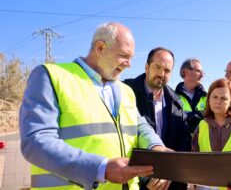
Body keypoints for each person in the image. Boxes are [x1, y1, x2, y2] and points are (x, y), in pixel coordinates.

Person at [19, 22, 168, 190]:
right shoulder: (51, 77)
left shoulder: (126, 90)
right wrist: (101, 168)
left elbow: (140, 126)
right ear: (100, 48)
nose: (129, 64)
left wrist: (156, 147)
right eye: (124, 56)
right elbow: (35, 142)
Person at [123, 47, 191, 190]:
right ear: (147, 67)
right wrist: (145, 178)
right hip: (133, 180)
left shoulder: (176, 103)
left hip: (168, 182)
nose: (161, 73)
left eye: (167, 70)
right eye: (157, 67)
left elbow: (183, 144)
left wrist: (170, 174)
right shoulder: (125, 92)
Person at [175, 58, 207, 134]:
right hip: (180, 143)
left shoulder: (208, 97)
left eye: (203, 72)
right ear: (186, 72)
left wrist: (186, 116)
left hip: (202, 143)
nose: (202, 75)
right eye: (198, 71)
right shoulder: (172, 96)